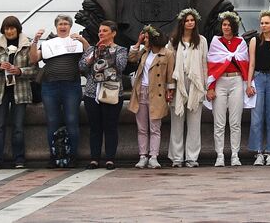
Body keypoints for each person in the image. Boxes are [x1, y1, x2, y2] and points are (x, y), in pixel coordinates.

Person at [30, 14, 88, 168]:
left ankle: (72, 156)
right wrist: (35, 41)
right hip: (50, 87)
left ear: (70, 26)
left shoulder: (76, 42)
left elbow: (90, 55)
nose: (63, 26)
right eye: (60, 24)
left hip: (71, 86)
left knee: (71, 121)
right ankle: (54, 156)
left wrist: (83, 40)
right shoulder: (48, 44)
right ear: (56, 27)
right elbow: (34, 59)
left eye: (65, 24)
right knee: (52, 122)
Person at [0, 16, 34, 170]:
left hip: (20, 91)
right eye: (7, 28)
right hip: (1, 91)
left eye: (12, 28)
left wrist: (19, 71)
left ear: (18, 29)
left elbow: (34, 70)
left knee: (18, 126)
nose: (9, 31)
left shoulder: (27, 45)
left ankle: (19, 159)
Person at [80, 21, 128, 169]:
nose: (101, 33)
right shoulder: (91, 50)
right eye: (100, 31)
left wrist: (106, 51)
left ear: (113, 33)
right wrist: (94, 54)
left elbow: (120, 66)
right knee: (95, 127)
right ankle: (94, 158)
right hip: (91, 92)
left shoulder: (120, 50)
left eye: (105, 31)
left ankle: (110, 158)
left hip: (112, 92)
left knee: (110, 126)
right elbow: (81, 67)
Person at [165, 8, 207, 168]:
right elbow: (170, 65)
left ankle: (192, 157)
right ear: (182, 22)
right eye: (187, 20)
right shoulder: (174, 40)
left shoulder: (201, 40)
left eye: (192, 20)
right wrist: (170, 86)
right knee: (177, 121)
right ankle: (177, 157)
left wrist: (205, 85)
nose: (190, 23)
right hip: (178, 81)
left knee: (194, 123)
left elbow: (204, 63)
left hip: (195, 84)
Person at [206, 11, 248, 167]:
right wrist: (210, 87)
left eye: (229, 25)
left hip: (236, 80)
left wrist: (248, 84)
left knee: (235, 121)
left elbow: (246, 63)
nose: (226, 27)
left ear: (234, 26)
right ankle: (220, 155)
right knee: (219, 121)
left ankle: (235, 155)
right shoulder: (216, 42)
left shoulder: (241, 42)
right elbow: (211, 66)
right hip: (220, 82)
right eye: (224, 24)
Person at [127, 25, 171, 169]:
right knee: (142, 128)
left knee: (155, 128)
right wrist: (138, 43)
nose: (145, 39)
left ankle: (153, 156)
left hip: (157, 92)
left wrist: (170, 91)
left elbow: (170, 76)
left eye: (146, 37)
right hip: (141, 91)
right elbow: (131, 58)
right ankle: (142, 156)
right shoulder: (145, 51)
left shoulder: (167, 54)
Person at [246, 10, 270, 165]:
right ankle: (258, 152)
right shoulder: (255, 40)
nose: (263, 25)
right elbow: (252, 63)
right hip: (259, 78)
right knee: (257, 117)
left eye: (267, 23)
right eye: (262, 23)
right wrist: (249, 83)